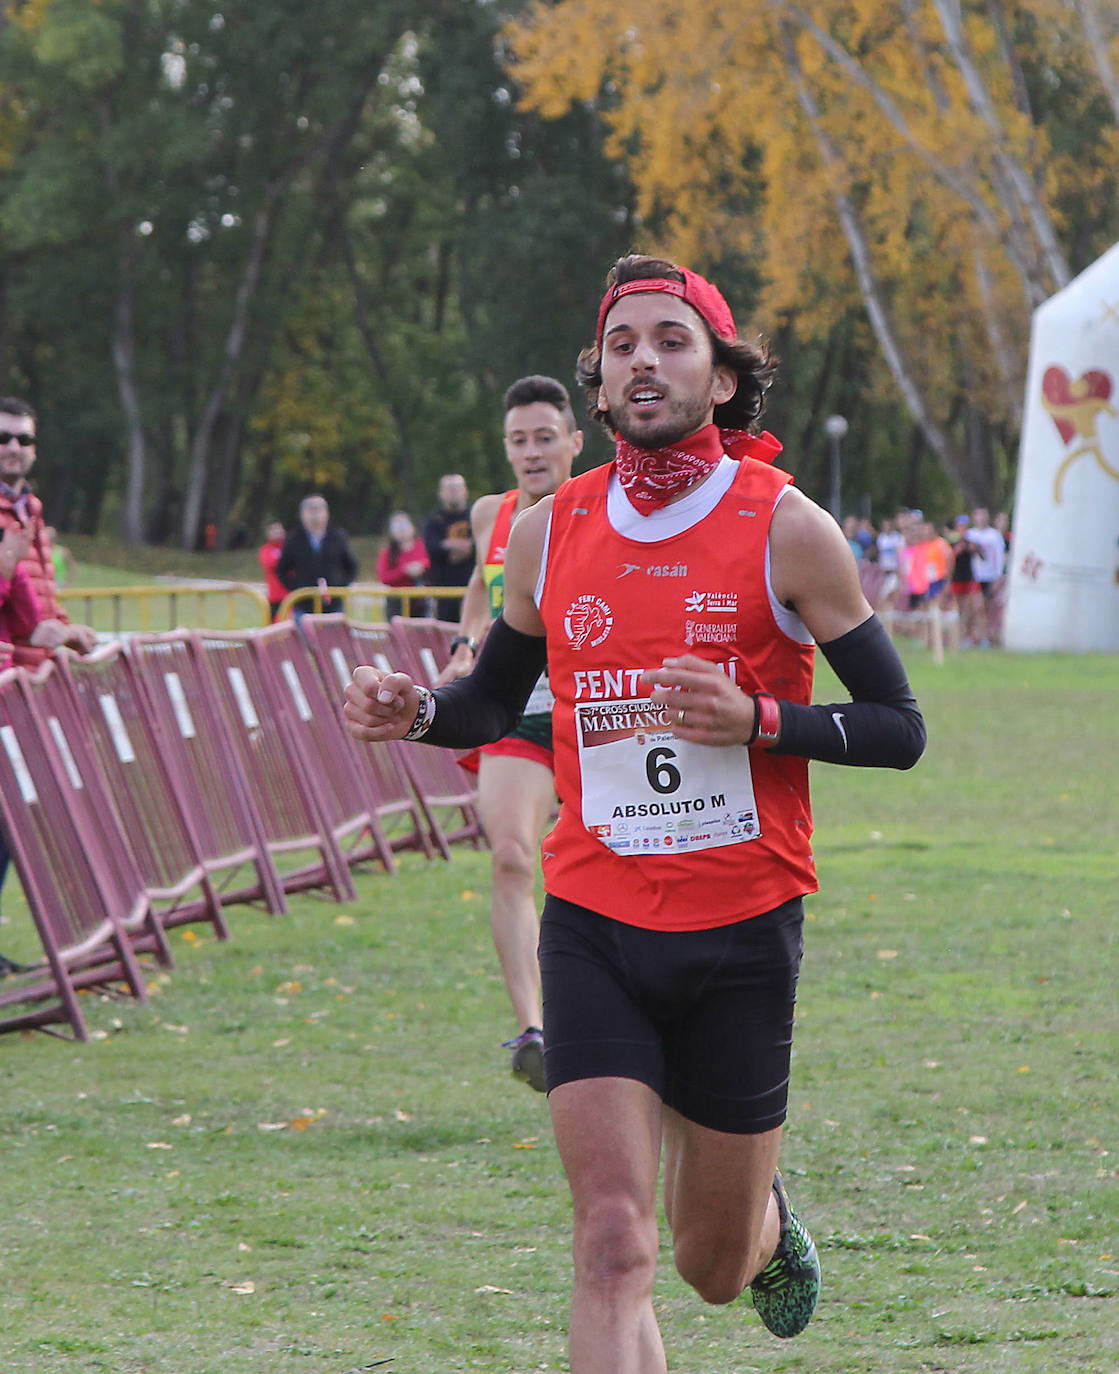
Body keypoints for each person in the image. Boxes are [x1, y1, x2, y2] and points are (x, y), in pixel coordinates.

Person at [343, 254, 926, 1368]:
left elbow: (899, 726)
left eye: (670, 340)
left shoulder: (786, 527)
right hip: (597, 922)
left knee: (709, 1266)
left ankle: (763, 1223)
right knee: (612, 1243)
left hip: (741, 928)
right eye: (621, 346)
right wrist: (413, 709)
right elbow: (490, 703)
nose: (643, 361)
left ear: (720, 379)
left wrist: (759, 719)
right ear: (599, 385)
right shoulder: (547, 530)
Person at [437, 376, 584, 1093]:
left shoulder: (604, 510)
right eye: (518, 441)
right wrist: (467, 643)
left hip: (594, 713)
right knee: (510, 858)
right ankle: (535, 1031)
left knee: (598, 868)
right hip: (516, 708)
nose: (531, 453)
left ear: (574, 443)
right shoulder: (490, 514)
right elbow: (479, 585)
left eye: (544, 438)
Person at [0, 398, 98, 666]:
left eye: (24, 440)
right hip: (8, 672)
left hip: (35, 672)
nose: (14, 447)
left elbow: (41, 593)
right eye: (3, 438)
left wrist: (66, 630)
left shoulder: (31, 508)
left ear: (34, 450)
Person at [275, 494, 358, 617]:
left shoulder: (338, 536)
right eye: (310, 509)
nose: (315, 514)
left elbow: (351, 566)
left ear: (327, 513)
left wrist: (340, 587)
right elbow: (282, 570)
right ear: (302, 514)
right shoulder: (293, 539)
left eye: (318, 509)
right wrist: (297, 588)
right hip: (304, 605)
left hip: (334, 605)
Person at [421, 474, 475, 622]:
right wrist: (465, 547)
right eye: (449, 489)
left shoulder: (476, 516)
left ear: (466, 490)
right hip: (443, 593)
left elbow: (481, 547)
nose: (453, 492)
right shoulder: (433, 521)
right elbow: (433, 550)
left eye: (456, 488)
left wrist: (448, 546)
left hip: (474, 590)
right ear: (440, 493)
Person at [375, 511, 430, 619]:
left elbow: (432, 562)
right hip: (397, 602)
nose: (401, 530)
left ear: (412, 527)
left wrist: (422, 566)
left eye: (404, 525)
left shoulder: (423, 545)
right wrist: (404, 571)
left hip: (421, 600)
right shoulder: (387, 553)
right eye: (397, 527)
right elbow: (383, 577)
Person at [257, 520, 287, 620]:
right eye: (273, 529)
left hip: (292, 595)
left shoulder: (289, 547)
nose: (277, 531)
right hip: (275, 597)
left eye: (279, 529)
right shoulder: (265, 550)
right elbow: (270, 564)